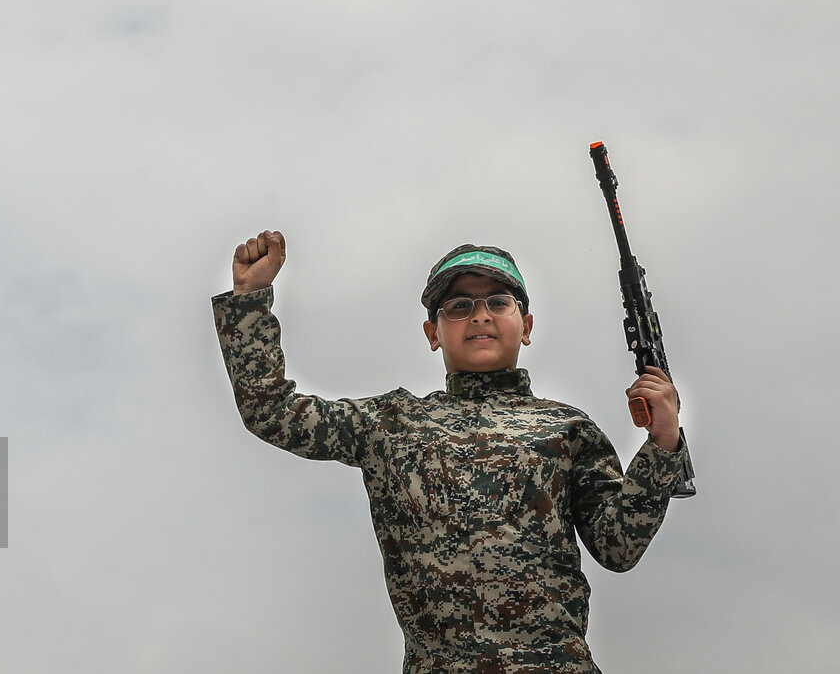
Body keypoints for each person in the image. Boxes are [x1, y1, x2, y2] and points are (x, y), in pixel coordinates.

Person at [212, 231, 691, 674]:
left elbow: (618, 546)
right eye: (459, 306)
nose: (479, 315)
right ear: (432, 333)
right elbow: (272, 412)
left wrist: (663, 444)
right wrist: (249, 301)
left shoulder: (566, 429)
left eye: (497, 302)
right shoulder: (390, 425)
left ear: (525, 325)